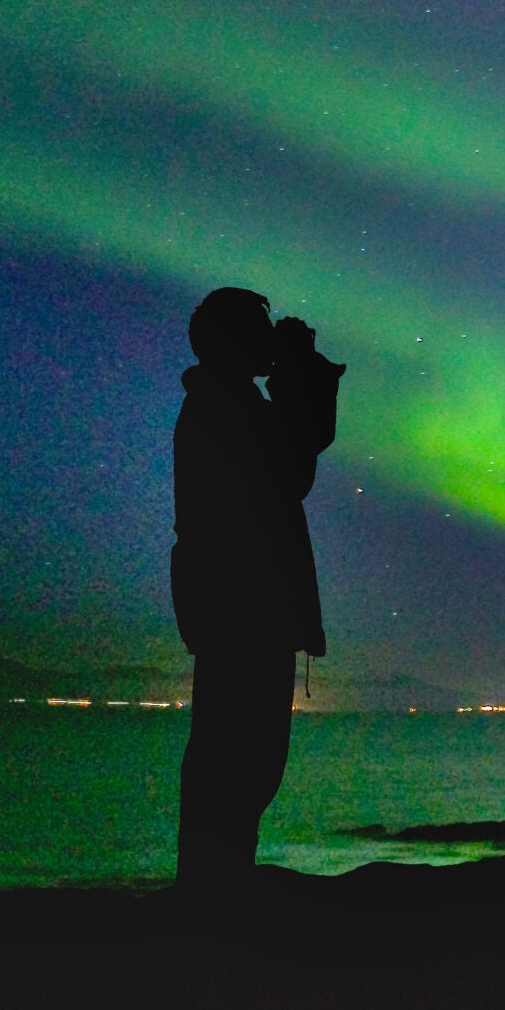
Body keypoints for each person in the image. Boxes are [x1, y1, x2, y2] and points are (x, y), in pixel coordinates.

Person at [169, 287, 344, 887]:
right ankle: (214, 888)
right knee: (242, 751)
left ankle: (214, 879)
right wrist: (300, 371)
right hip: (246, 601)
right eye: (257, 332)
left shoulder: (223, 403)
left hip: (231, 598)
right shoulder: (226, 408)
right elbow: (295, 465)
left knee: (234, 748)